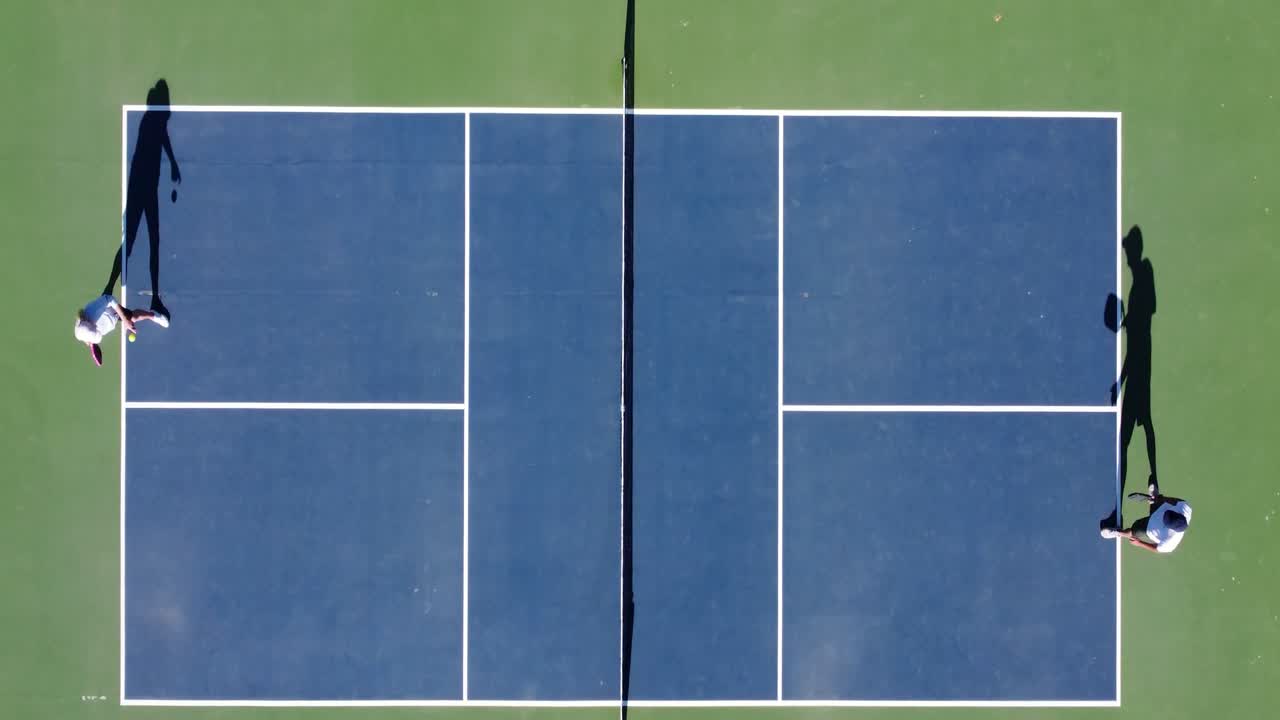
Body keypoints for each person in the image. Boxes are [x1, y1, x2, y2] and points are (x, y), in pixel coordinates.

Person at [102, 79, 181, 319]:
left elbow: (163, 135)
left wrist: (173, 162)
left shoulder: (156, 123)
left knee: (153, 241)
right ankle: (107, 289)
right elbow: (157, 137)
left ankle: (155, 298)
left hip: (149, 190)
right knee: (132, 242)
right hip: (140, 191)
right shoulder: (149, 122)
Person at [1112, 225, 1158, 495]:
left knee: (1134, 430)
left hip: (1141, 356)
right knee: (1144, 423)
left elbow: (1139, 334)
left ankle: (1152, 481)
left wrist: (1120, 382)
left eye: (1128, 248)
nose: (1127, 253)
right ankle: (1154, 480)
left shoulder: (1144, 272)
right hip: (1141, 350)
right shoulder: (1141, 275)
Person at [73, 293, 168, 366]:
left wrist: (125, 319)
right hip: (110, 319)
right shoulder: (80, 334)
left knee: (132, 318)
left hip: (110, 309)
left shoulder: (92, 311)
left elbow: (109, 299)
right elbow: (86, 337)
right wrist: (88, 340)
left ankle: (154, 315)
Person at [1101, 491, 1192, 553]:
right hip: (1160, 509)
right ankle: (1153, 498)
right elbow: (1175, 500)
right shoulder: (1185, 508)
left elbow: (1156, 549)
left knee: (1133, 531)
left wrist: (1139, 543)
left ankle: (1117, 532)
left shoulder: (1171, 542)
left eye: (1165, 519)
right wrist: (1162, 498)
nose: (1164, 516)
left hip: (1149, 527)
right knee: (1157, 499)